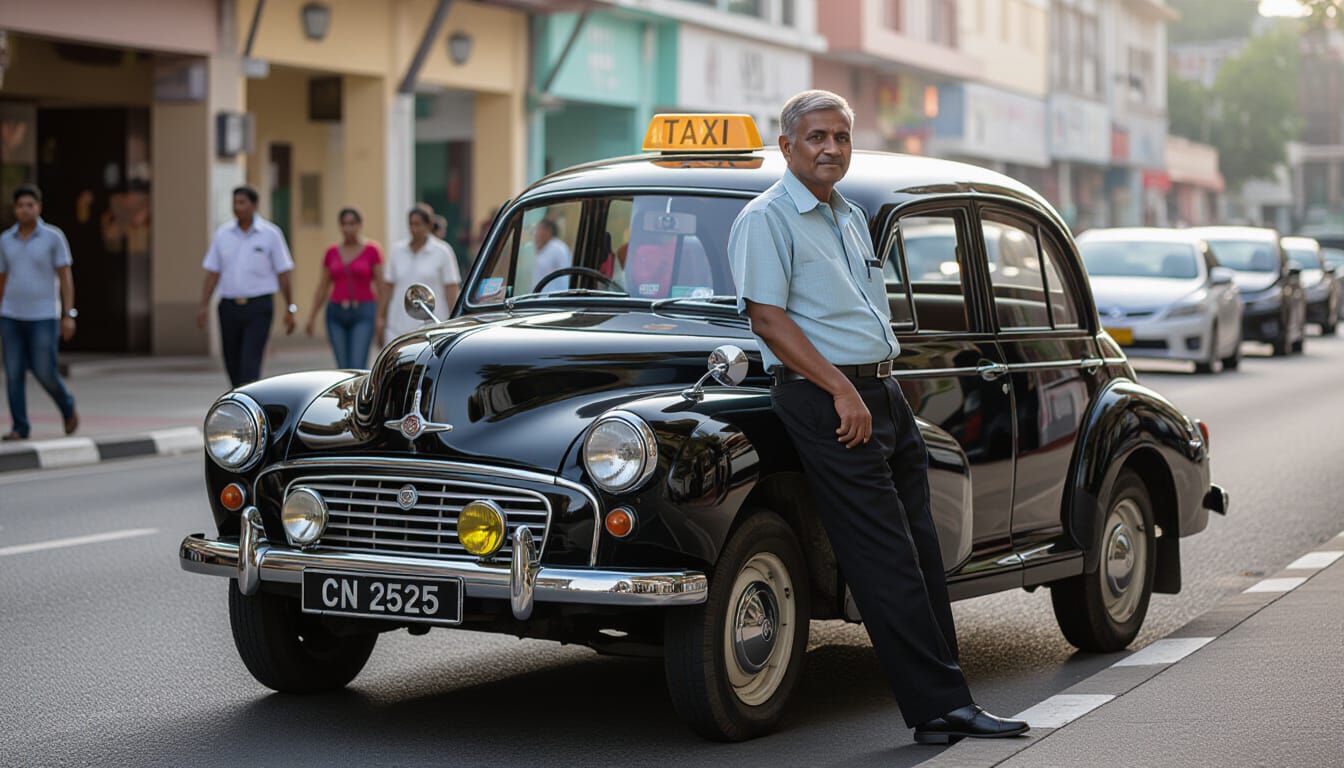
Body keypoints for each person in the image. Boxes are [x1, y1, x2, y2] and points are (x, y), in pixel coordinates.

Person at [728, 90, 1029, 745]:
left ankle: (949, 700)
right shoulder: (767, 218)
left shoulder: (850, 215)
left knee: (922, 554)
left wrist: (876, 386)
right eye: (815, 137)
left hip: (882, 396)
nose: (830, 147)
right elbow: (769, 321)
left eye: (840, 135)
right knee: (884, 559)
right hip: (826, 399)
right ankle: (940, 706)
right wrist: (840, 388)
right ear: (787, 147)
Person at [0, 184, 79, 441]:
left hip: (44, 316)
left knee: (44, 370)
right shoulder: (5, 240)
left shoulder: (53, 237)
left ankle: (67, 407)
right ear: (15, 209)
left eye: (30, 205)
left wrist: (69, 314)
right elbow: (2, 278)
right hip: (11, 315)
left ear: (39, 207)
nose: (25, 210)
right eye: (20, 206)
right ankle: (20, 427)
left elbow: (65, 278)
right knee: (13, 373)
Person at [196, 186, 296, 387]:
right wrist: (203, 305)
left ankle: (248, 406)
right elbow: (213, 272)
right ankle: (239, 400)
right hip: (229, 306)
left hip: (258, 306)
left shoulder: (271, 234)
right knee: (232, 361)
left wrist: (290, 307)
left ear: (254, 205)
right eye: (235, 203)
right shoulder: (223, 234)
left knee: (250, 362)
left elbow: (283, 273)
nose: (237, 207)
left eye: (242, 203)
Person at [304, 207, 384, 368]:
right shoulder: (331, 252)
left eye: (352, 223)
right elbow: (323, 286)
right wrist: (312, 316)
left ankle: (359, 393)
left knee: (357, 364)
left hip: (364, 311)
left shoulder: (372, 250)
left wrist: (381, 317)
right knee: (343, 368)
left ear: (360, 225)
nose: (348, 228)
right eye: (344, 224)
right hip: (336, 313)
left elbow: (381, 287)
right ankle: (345, 394)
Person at [379, 208, 460, 344]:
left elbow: (451, 287)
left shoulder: (442, 251)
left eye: (418, 224)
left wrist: (454, 320)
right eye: (411, 224)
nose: (414, 228)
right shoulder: (397, 251)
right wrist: (380, 317)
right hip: (398, 325)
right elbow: (388, 287)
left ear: (428, 225)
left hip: (432, 325)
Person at [531, 218, 571, 293]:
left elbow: (564, 276)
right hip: (540, 297)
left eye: (539, 229)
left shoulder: (558, 248)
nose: (536, 233)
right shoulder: (544, 247)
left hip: (552, 298)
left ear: (548, 231)